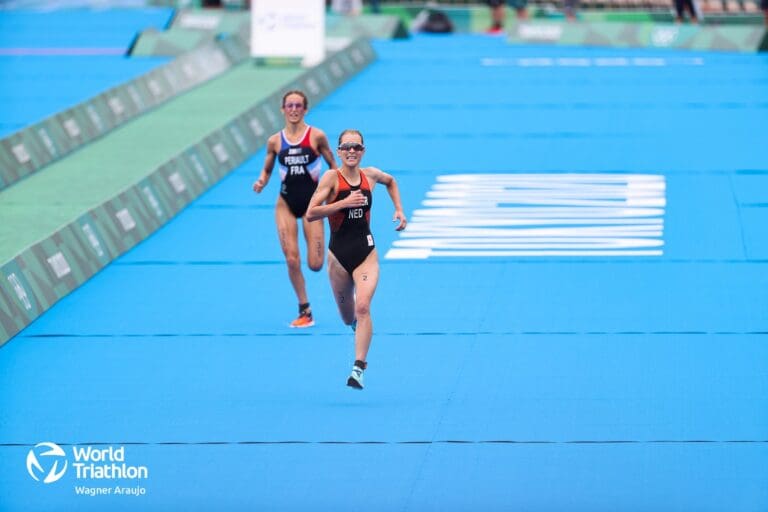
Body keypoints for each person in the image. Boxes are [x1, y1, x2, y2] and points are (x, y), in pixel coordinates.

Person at [306, 130, 407, 389]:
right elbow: (311, 213)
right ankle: (355, 325)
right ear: (339, 152)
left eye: (357, 147)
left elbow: (391, 181)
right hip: (338, 259)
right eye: (346, 147)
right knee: (347, 315)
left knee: (363, 306)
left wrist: (399, 209)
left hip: (365, 254)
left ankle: (359, 367)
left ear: (363, 151)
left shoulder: (370, 175)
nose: (352, 151)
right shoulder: (331, 179)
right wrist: (343, 203)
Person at [252, 90, 337, 328]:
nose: (293, 109)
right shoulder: (275, 141)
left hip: (312, 205)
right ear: (282, 109)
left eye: (298, 105)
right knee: (291, 259)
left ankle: (341, 271)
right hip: (286, 204)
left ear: (305, 109)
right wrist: (261, 181)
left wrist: (333, 189)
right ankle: (305, 310)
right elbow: (267, 169)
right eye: (289, 105)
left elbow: (332, 164)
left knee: (315, 264)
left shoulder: (316, 136)